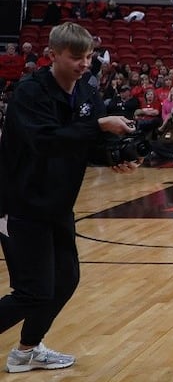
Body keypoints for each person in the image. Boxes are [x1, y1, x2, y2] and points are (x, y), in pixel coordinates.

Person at [0, 22, 140, 373]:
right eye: (76, 57)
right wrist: (98, 126)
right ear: (52, 56)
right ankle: (26, 350)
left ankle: (27, 351)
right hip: (19, 203)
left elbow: (84, 145)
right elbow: (48, 142)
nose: (85, 64)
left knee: (65, 279)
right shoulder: (29, 94)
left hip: (58, 203)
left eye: (89, 56)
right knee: (33, 290)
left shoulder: (87, 93)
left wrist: (114, 158)